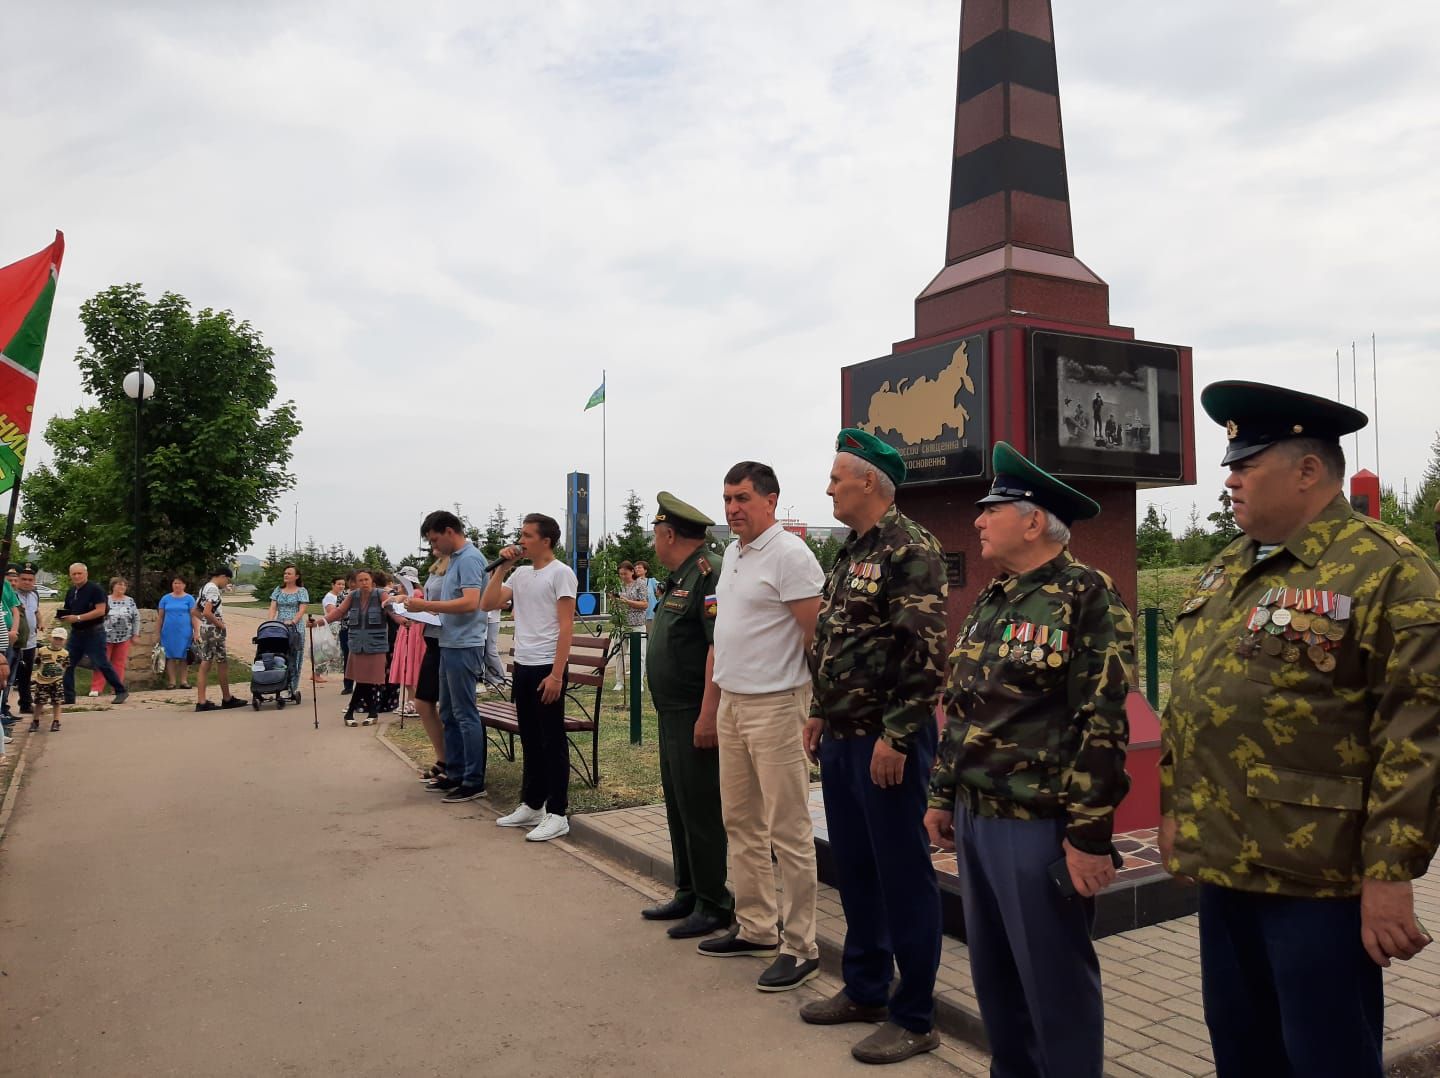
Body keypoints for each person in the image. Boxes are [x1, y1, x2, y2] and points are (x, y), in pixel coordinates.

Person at [1161, 381, 1440, 1078]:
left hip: (1318, 880)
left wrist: (1390, 874)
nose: (1230, 481)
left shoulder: (1388, 571)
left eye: (1245, 465)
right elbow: (1194, 703)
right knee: (1241, 1045)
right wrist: (1175, 810)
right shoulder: (1230, 567)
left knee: (1325, 1056)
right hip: (1226, 864)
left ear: (1308, 470)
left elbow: (1417, 736)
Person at [922, 441, 1132, 1078]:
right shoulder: (994, 599)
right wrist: (939, 795)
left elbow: (1103, 723)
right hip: (978, 820)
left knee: (1055, 984)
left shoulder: (1087, 596)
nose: (979, 520)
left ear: (1034, 519)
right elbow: (963, 706)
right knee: (997, 980)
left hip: (1038, 826)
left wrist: (1089, 837)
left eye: (992, 508)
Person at [800, 431, 949, 1064]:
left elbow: (925, 654)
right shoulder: (849, 552)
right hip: (841, 738)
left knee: (904, 875)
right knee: (857, 870)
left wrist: (898, 733)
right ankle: (864, 989)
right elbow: (832, 640)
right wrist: (816, 711)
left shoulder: (911, 549)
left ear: (868, 483)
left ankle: (914, 1014)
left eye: (837, 477)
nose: (829, 487)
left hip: (888, 744)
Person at [701, 461, 825, 993]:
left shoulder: (791, 555)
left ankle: (801, 946)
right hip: (733, 703)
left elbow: (815, 637)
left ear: (771, 501)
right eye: (728, 499)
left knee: (788, 830)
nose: (733, 509)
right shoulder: (733, 553)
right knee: (741, 822)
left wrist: (811, 703)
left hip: (776, 705)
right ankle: (755, 926)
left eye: (743, 498)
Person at [641, 492, 735, 940]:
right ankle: (688, 891)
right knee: (679, 804)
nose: (653, 543)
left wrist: (708, 714)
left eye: (655, 535)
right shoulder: (680, 576)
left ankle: (714, 902)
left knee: (700, 807)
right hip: (671, 710)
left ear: (669, 534)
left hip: (693, 712)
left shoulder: (707, 573)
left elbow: (717, 645)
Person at [481, 513, 578, 842]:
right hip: (523, 665)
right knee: (530, 738)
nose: (520, 541)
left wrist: (556, 674)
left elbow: (567, 625)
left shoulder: (561, 573)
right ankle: (533, 803)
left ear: (545, 540)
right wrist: (501, 569)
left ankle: (558, 812)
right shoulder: (520, 574)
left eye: (526, 535)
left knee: (551, 739)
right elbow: (487, 603)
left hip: (546, 666)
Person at [405, 510, 491, 804]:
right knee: (449, 712)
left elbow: (470, 602)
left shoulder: (469, 559)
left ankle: (473, 779)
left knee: (465, 714)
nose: (434, 546)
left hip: (464, 644)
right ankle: (454, 772)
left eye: (434, 539)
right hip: (448, 641)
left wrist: (427, 605)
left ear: (449, 531)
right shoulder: (454, 559)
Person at [312, 569, 402, 727]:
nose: (364, 583)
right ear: (355, 583)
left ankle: (351, 712)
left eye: (366, 579)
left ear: (372, 581)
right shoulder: (353, 596)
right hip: (357, 645)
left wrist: (404, 621)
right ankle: (371, 713)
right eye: (360, 580)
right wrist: (318, 622)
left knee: (368, 680)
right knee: (362, 680)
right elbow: (339, 612)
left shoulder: (381, 594)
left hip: (376, 645)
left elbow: (392, 611)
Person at [59, 562, 128, 705]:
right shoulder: (71, 591)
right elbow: (69, 610)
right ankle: (69, 697)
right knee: (67, 663)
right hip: (77, 633)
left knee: (101, 663)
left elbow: (100, 610)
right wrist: (64, 617)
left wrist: (78, 618)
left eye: (80, 573)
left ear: (86, 574)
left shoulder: (95, 589)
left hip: (94, 632)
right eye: (74, 574)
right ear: (70, 575)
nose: (77, 576)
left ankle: (120, 690)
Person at [410, 546, 450, 781]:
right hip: (432, 636)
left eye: (435, 537)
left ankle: (450, 761)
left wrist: (424, 609)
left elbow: (461, 603)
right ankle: (443, 757)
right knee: (423, 702)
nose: (433, 543)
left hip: (447, 639)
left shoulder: (458, 565)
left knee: (442, 705)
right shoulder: (436, 568)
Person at [192, 566, 246, 712]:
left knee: (206, 661)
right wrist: (219, 624)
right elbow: (208, 612)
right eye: (227, 579)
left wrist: (204, 622)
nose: (226, 582)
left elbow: (194, 610)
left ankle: (202, 700)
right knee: (221, 662)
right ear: (222, 576)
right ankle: (226, 698)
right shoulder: (213, 589)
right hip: (214, 630)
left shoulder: (204, 588)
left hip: (206, 629)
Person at [92, 576, 141, 698]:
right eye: (119, 584)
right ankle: (96, 687)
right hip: (105, 636)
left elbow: (136, 618)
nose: (122, 587)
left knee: (119, 663)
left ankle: (117, 688)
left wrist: (135, 634)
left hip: (124, 636)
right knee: (102, 661)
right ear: (113, 586)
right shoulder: (105, 600)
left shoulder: (130, 601)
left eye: (124, 585)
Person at [266, 566, 309, 699]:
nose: (286, 575)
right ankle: (278, 684)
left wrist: (293, 621)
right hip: (280, 626)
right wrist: (270, 621)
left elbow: (302, 609)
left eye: (289, 573)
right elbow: (273, 607)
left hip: (295, 627)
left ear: (296, 576)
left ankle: (292, 687)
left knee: (294, 657)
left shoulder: (301, 591)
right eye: (285, 573)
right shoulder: (278, 590)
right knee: (280, 655)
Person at [8, 563, 42, 720]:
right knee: (11, 676)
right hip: (15, 642)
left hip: (31, 641)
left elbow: (36, 611)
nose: (27, 582)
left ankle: (26, 704)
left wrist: (40, 622)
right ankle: (5, 707)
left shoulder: (35, 595)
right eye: (24, 579)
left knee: (26, 674)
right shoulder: (11, 594)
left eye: (30, 579)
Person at [611, 560, 648, 690]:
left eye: (625, 573)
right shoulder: (618, 585)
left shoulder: (640, 584)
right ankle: (619, 681)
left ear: (632, 572)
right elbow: (615, 601)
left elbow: (644, 604)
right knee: (620, 653)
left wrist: (627, 602)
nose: (623, 576)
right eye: (620, 574)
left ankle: (639, 683)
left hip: (637, 624)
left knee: (639, 655)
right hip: (621, 624)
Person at [157, 576, 196, 689]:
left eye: (179, 583)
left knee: (184, 656)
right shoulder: (165, 599)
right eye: (175, 583)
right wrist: (157, 632)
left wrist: (196, 631)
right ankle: (172, 682)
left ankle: (184, 681)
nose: (177, 585)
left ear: (184, 585)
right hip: (168, 632)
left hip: (185, 632)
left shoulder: (189, 599)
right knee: (170, 656)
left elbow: (194, 616)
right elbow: (160, 617)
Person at [31, 626, 66, 733]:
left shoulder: (65, 654)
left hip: (57, 681)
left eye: (60, 639)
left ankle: (56, 721)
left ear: (64, 641)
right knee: (39, 702)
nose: (57, 641)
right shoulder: (42, 651)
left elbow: (65, 666)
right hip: (42, 681)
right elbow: (38, 663)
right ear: (51, 638)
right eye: (56, 638)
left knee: (57, 702)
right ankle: (35, 721)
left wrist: (60, 677)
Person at [324, 576, 353, 693]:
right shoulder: (343, 595)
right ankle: (348, 684)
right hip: (346, 628)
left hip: (362, 630)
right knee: (348, 656)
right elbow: (338, 612)